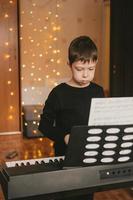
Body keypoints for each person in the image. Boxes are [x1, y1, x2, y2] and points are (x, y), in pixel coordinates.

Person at [38, 35, 104, 200]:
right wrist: (64, 137)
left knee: (86, 195)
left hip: (90, 155)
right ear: (69, 65)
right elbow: (43, 126)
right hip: (64, 155)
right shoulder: (58, 93)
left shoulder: (98, 91)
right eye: (79, 69)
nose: (85, 75)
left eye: (91, 69)